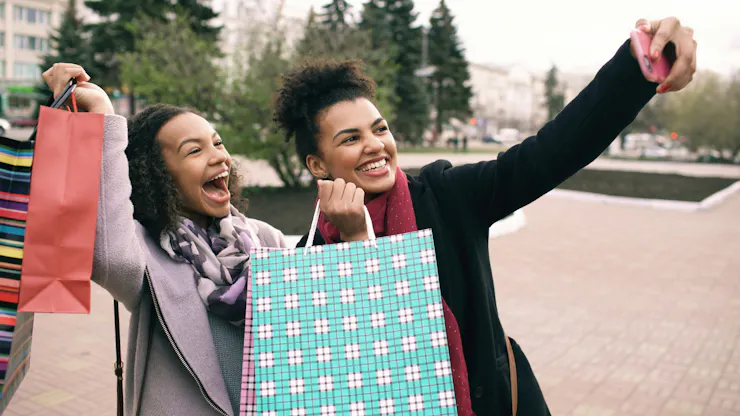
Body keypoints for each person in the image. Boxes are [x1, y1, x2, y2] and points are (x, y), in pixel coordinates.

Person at [274, 18, 697, 415]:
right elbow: (361, 364)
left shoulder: (448, 196)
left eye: (380, 129)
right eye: (351, 138)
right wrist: (354, 242)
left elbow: (552, 152)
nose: (375, 145)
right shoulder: (310, 256)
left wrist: (635, 68)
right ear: (317, 164)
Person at [42, 64, 287, 416]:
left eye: (217, 142)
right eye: (194, 151)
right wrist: (102, 114)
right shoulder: (147, 255)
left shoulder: (267, 239)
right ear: (158, 175)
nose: (219, 156)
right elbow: (106, 253)